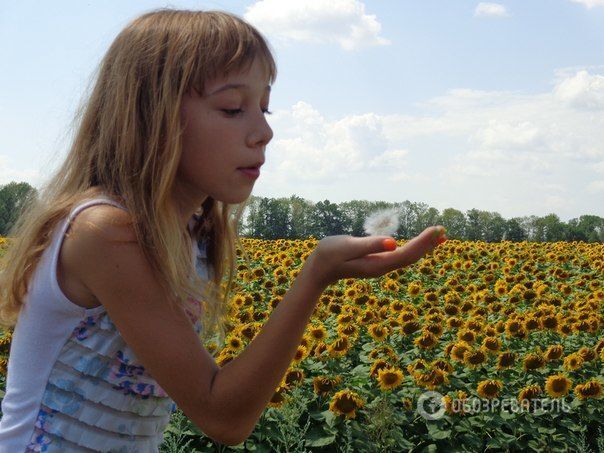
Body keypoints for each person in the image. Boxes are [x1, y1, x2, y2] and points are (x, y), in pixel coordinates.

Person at [0, 8, 447, 452]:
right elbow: (223, 416)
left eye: (264, 106)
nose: (264, 131)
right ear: (152, 116)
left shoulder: (194, 232)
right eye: (234, 108)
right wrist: (316, 276)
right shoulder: (106, 230)